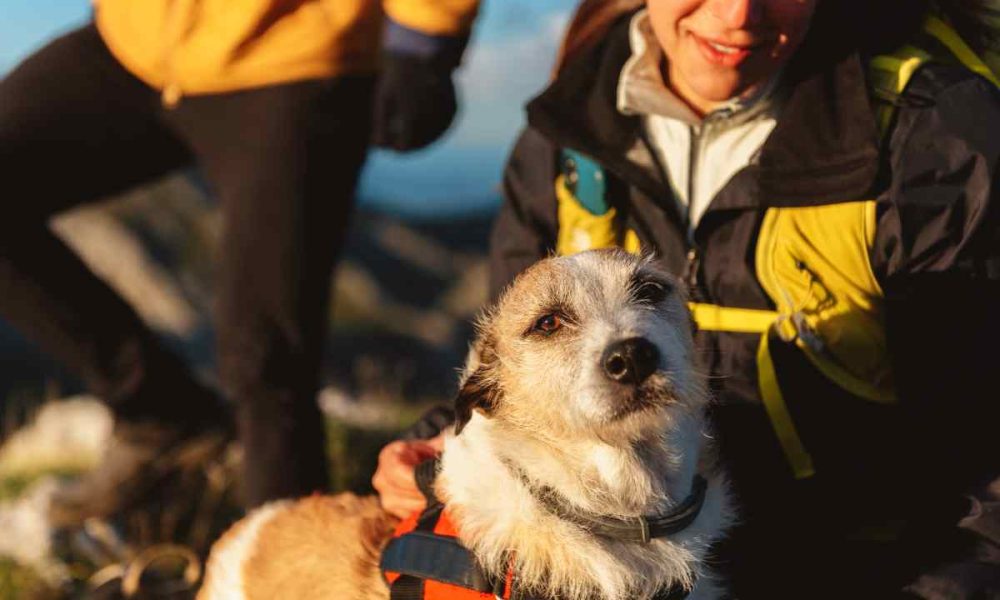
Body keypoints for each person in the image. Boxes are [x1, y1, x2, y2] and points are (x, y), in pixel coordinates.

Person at [373, 0, 1000, 597]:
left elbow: (982, 455)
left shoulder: (934, 137)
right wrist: (432, 443)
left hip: (862, 567)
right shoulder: (564, 129)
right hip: (635, 554)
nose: (738, 16)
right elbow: (512, 362)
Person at [0, 0, 479, 524]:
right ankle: (162, 413)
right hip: (136, 41)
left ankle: (290, 561)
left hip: (293, 55)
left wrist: (423, 42)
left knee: (264, 356)